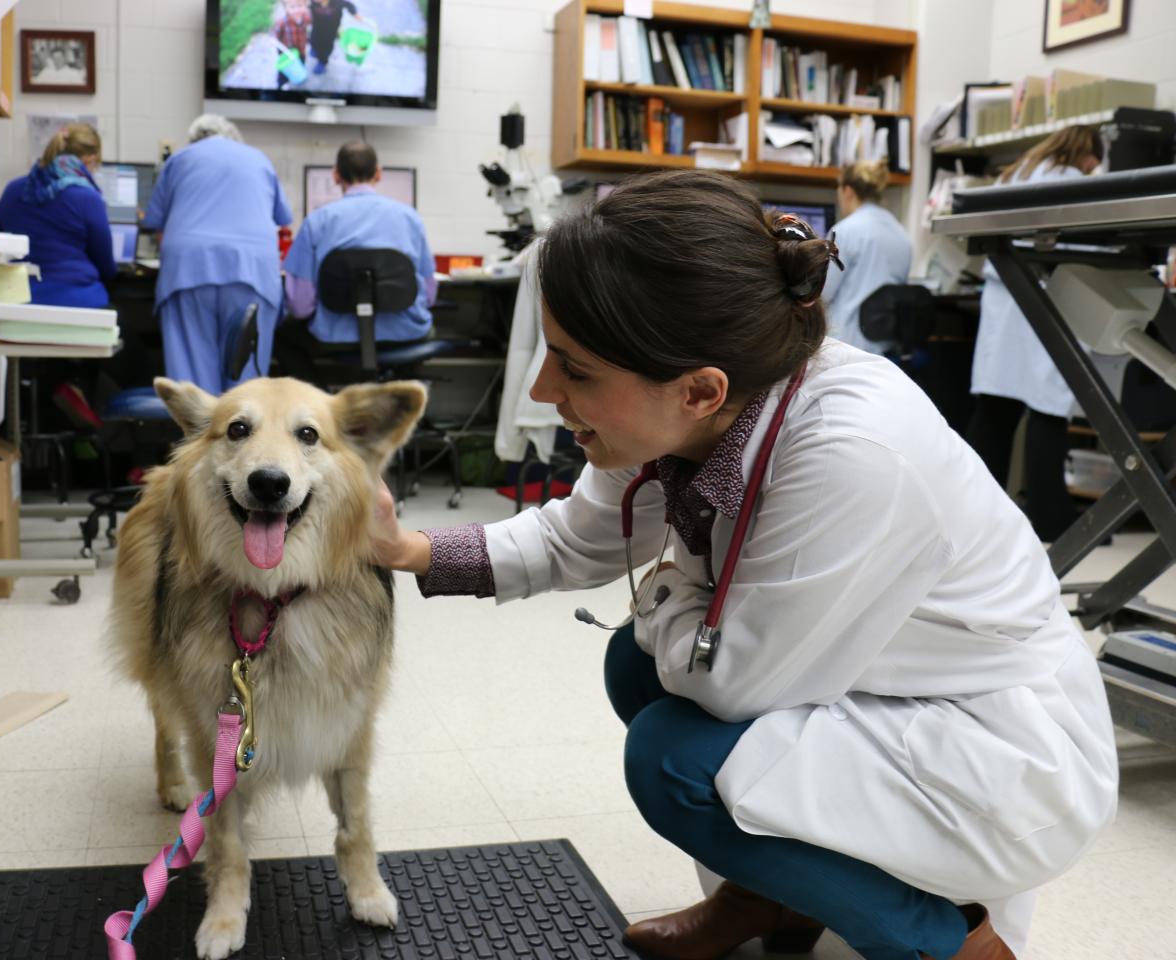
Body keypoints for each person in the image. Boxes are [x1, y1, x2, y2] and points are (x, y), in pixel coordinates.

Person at [368, 171, 1117, 960]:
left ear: (699, 391)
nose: (543, 388)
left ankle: (954, 942)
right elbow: (575, 541)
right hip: (873, 686)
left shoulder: (853, 452)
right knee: (640, 668)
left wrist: (664, 594)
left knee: (671, 757)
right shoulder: (690, 400)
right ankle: (776, 898)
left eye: (574, 369)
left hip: (997, 749)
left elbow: (735, 683)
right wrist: (404, 548)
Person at [966, 126, 1103, 542]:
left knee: (995, 413)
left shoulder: (1016, 174)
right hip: (1047, 300)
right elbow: (1094, 247)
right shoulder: (1078, 185)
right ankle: (1049, 515)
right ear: (1088, 157)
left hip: (1006, 298)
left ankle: (971, 512)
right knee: (1047, 411)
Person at [142, 114, 292, 394]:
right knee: (247, 387)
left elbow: (156, 225)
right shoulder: (258, 158)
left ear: (195, 139)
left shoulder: (179, 159)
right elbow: (283, 219)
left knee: (193, 388)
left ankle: (199, 421)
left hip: (188, 272)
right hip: (251, 272)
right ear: (233, 137)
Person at [276, 141, 436, 384]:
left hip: (335, 337)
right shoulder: (410, 218)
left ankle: (320, 401)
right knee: (426, 329)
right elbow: (429, 296)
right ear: (378, 173)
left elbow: (301, 306)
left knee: (281, 337)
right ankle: (400, 395)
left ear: (336, 175)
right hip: (405, 332)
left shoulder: (317, 221)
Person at [0, 123, 115, 308]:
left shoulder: (12, 189)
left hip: (16, 300)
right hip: (79, 302)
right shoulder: (87, 197)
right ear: (90, 159)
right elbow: (106, 266)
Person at [820, 159, 913, 355]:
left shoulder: (844, 231)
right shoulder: (901, 234)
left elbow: (822, 293)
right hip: (886, 349)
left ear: (847, 191)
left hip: (846, 346)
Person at [309, 0, 357, 74]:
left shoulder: (338, 2)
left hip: (331, 30)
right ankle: (315, 49)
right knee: (313, 40)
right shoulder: (312, 2)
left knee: (326, 47)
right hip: (317, 27)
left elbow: (349, 5)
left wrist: (354, 13)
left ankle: (322, 62)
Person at [274, 0, 312, 89]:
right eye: (292, 7)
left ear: (306, 6)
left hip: (301, 49)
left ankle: (298, 76)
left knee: (301, 63)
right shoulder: (282, 22)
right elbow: (274, 37)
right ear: (286, 8)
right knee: (285, 70)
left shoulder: (306, 18)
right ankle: (282, 83)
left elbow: (310, 26)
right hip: (287, 52)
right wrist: (280, 50)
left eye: (300, 5)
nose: (297, 10)